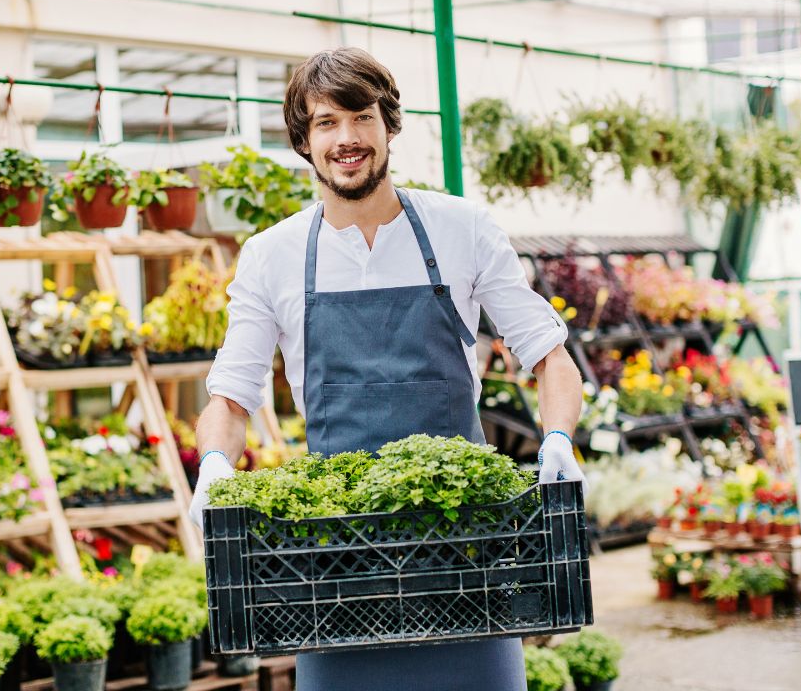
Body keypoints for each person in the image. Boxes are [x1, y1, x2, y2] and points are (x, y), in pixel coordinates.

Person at [189, 47, 586, 691]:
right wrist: (212, 465)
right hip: (337, 568)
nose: (346, 139)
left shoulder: (464, 228)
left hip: (467, 555)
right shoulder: (272, 256)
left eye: (361, 117)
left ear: (389, 125)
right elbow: (231, 400)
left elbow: (549, 356)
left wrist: (560, 440)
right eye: (325, 122)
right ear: (303, 139)